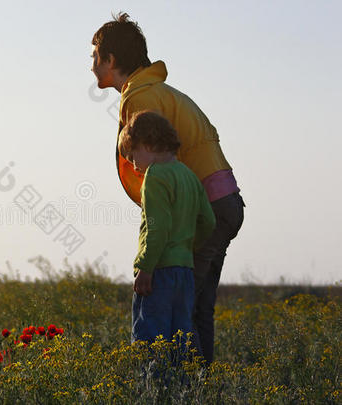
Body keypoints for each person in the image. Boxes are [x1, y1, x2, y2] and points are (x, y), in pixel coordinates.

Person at [91, 12, 245, 364]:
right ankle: (198, 386)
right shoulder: (159, 92)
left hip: (208, 205)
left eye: (95, 57)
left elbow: (157, 171)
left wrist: (150, 259)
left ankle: (183, 387)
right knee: (197, 308)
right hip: (225, 202)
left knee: (181, 311)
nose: (91, 67)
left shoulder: (141, 99)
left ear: (111, 60)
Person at [118, 110, 215, 345]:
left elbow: (156, 226)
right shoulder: (189, 175)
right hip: (184, 271)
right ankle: (179, 383)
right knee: (179, 340)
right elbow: (209, 221)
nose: (134, 166)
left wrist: (146, 267)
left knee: (151, 342)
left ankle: (154, 383)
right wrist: (185, 247)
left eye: (132, 157)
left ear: (147, 144)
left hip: (158, 271)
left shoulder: (155, 175)